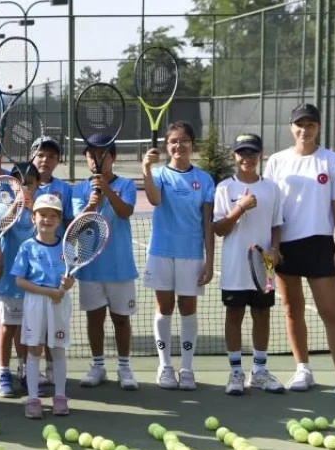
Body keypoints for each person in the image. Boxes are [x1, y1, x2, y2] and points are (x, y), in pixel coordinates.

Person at [262, 103, 335, 402]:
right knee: (292, 310)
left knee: (331, 313)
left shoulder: (332, 161)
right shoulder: (276, 162)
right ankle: (302, 368)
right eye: (299, 125)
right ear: (291, 128)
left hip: (319, 244)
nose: (304, 130)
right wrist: (270, 250)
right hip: (284, 247)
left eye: (311, 125)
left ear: (318, 127)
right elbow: (268, 205)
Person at [141, 121, 215, 391]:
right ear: (167, 146)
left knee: (188, 309)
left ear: (192, 144)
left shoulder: (205, 179)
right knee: (164, 308)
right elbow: (155, 200)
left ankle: (186, 368)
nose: (179, 145)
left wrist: (210, 260)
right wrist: (146, 169)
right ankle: (165, 366)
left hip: (191, 254)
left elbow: (207, 222)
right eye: (173, 141)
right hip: (161, 252)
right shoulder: (160, 174)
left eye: (184, 140)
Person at [212, 133, 285, 396]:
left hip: (263, 265)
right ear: (234, 156)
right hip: (234, 267)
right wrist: (240, 208)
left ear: (260, 156)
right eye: (242, 153)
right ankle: (235, 372)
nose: (247, 158)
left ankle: (259, 371)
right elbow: (219, 228)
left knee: (262, 315)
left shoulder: (271, 188)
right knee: (234, 315)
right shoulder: (224, 188)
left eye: (252, 153)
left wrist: (275, 250)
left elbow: (277, 225)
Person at [71, 134, 140, 391]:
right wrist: (91, 204)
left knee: (121, 319)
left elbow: (125, 212)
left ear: (113, 157)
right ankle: (98, 366)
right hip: (90, 267)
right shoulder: (79, 189)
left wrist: (106, 190)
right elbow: (77, 226)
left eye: (103, 154)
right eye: (92, 155)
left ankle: (124, 367)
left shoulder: (127, 184)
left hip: (120, 267)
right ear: (86, 158)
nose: (97, 159)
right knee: (94, 319)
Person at [12, 194, 74, 418]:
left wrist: (67, 284)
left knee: (57, 349)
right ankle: (33, 398)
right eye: (42, 215)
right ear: (33, 218)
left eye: (52, 216)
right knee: (34, 349)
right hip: (36, 302)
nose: (47, 220)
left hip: (59, 302)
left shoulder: (67, 248)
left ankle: (60, 397)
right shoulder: (27, 247)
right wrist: (48, 291)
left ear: (59, 220)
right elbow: (19, 280)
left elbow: (71, 278)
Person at [0, 170, 40, 398]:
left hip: (34, 283)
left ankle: (24, 370)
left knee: (26, 330)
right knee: (7, 328)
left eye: (29, 184)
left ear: (37, 185)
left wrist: (32, 209)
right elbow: (0, 227)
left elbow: (46, 235)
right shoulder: (4, 208)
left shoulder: (40, 211)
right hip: (9, 282)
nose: (24, 188)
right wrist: (17, 206)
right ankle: (3, 373)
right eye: (19, 185)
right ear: (12, 187)